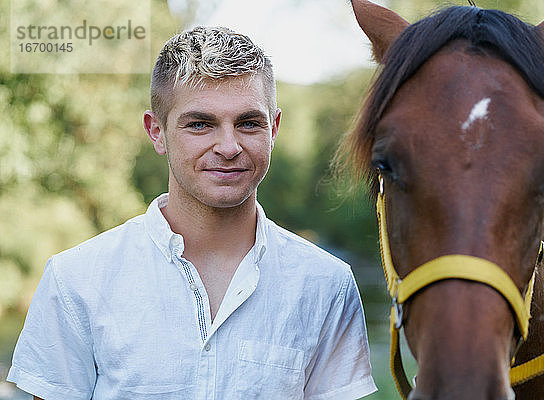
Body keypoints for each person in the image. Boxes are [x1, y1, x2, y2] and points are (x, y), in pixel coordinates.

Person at [7, 26, 377, 399]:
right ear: (157, 132)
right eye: (200, 124)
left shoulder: (326, 285)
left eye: (249, 123)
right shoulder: (76, 281)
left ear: (274, 129)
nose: (229, 146)